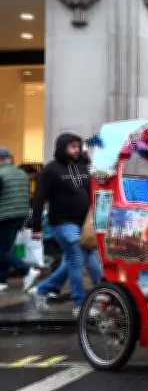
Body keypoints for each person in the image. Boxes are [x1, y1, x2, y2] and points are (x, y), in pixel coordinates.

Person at [29, 133, 102, 316]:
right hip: (62, 222)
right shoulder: (50, 170)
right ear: (62, 147)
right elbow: (39, 198)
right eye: (72, 147)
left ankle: (42, 290)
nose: (76, 150)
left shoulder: (83, 165)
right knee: (76, 259)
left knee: (89, 261)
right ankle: (80, 305)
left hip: (84, 223)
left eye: (78, 146)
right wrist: (36, 227)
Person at [0, 148, 41, 293]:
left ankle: (27, 270)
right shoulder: (21, 173)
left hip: (5, 216)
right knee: (6, 248)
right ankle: (2, 281)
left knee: (2, 250)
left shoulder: (1, 173)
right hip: (21, 215)